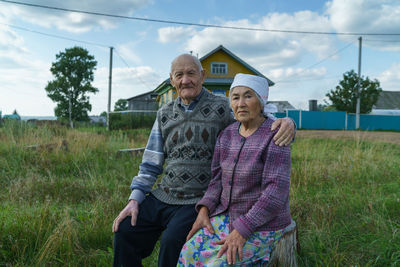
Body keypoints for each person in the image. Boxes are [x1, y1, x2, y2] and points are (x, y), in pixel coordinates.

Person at [112, 54, 295, 267]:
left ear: (202, 76)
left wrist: (288, 123)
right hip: (165, 193)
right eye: (179, 75)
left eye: (191, 73)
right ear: (171, 80)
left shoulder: (221, 107)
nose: (185, 80)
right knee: (125, 231)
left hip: (197, 198)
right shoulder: (164, 114)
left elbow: (254, 115)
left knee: (174, 242)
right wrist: (134, 199)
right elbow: (150, 163)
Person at [177, 73, 292, 266]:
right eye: (235, 97)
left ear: (261, 101)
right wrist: (204, 209)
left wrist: (242, 230)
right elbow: (216, 181)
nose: (241, 104)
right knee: (188, 254)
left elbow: (275, 193)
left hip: (263, 224)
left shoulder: (275, 135)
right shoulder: (227, 135)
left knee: (218, 263)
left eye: (248, 96)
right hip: (226, 216)